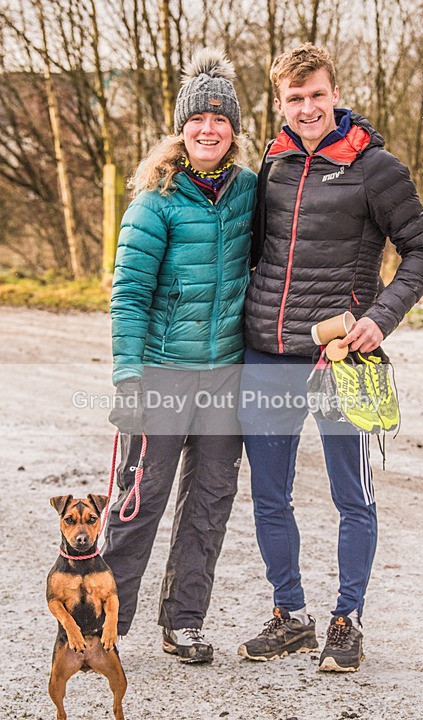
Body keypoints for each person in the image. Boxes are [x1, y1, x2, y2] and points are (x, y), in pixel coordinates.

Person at [237, 44, 423, 671]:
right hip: (267, 352)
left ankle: (347, 620)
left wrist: (380, 318)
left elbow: (422, 251)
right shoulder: (270, 165)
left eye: (317, 95)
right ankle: (289, 615)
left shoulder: (377, 168)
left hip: (340, 358)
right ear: (280, 103)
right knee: (269, 495)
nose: (307, 108)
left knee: (352, 495)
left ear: (335, 95)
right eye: (295, 98)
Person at [103, 48, 256, 664]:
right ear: (181, 128)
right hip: (163, 373)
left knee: (210, 503)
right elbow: (128, 296)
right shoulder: (155, 201)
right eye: (198, 119)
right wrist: (128, 378)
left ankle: (184, 622)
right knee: (139, 502)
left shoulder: (250, 191)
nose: (209, 129)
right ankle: (104, 624)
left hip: (226, 377)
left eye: (220, 119)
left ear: (234, 130)